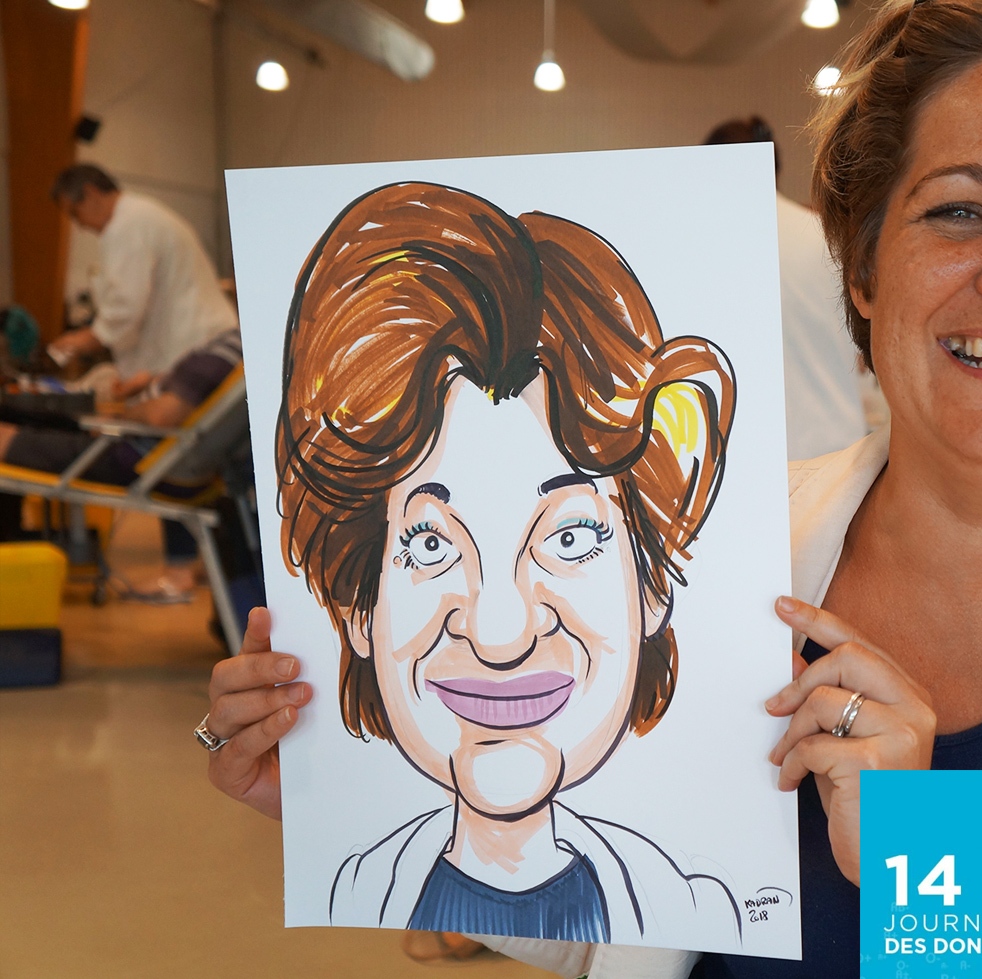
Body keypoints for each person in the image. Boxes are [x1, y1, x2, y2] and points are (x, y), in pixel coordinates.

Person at [206, 3, 982, 977]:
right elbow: (631, 924)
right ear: (863, 265)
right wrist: (373, 800)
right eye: (961, 211)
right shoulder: (729, 542)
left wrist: (935, 862)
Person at [204, 183, 739, 973]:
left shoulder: (771, 590)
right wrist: (331, 800)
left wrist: (908, 841)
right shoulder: (782, 551)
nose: (498, 631)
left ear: (655, 577)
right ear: (357, 604)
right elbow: (618, 955)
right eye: (428, 543)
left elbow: (947, 948)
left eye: (569, 535)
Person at [704, 116, 876, 459]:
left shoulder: (705, 250)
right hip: (839, 448)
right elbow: (862, 349)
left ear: (708, 169)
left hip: (749, 456)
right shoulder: (827, 237)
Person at [0, 328, 242, 539]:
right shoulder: (237, 349)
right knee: (27, 418)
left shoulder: (223, 354)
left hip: (128, 452)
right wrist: (152, 382)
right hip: (149, 451)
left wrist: (118, 419)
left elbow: (162, 415)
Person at [47, 164, 237, 383]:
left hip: (197, 347)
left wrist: (88, 338)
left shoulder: (126, 225)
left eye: (75, 213)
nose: (80, 225)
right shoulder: (138, 215)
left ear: (90, 193)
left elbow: (127, 303)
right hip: (203, 344)